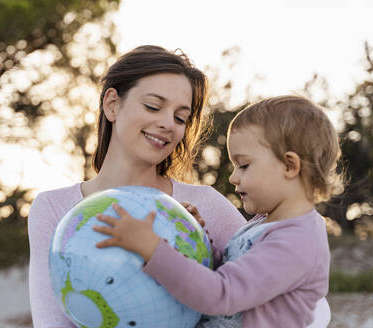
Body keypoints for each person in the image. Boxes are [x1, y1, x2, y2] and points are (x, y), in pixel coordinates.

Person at [27, 45, 247, 328]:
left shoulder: (205, 205)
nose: (168, 123)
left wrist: (207, 252)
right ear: (112, 104)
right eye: (153, 106)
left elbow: (277, 290)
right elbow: (52, 323)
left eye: (180, 117)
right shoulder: (52, 208)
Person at [94, 95, 343, 327]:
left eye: (244, 165)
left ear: (290, 166)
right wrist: (196, 239)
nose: (234, 177)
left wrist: (151, 248)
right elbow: (228, 271)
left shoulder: (297, 241)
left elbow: (222, 294)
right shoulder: (264, 224)